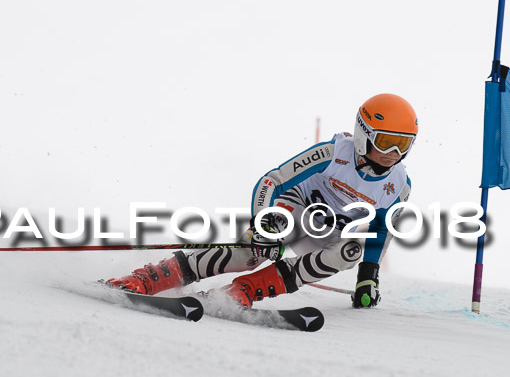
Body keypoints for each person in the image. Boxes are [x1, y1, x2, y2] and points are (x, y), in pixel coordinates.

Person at [106, 93, 418, 308]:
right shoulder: (333, 153)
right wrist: (261, 227)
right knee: (251, 253)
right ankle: (152, 277)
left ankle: (245, 290)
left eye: (402, 144)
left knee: (351, 250)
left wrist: (368, 278)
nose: (393, 154)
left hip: (329, 230)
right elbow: (273, 180)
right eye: (387, 141)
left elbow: (381, 232)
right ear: (364, 133)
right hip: (296, 207)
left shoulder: (398, 184)